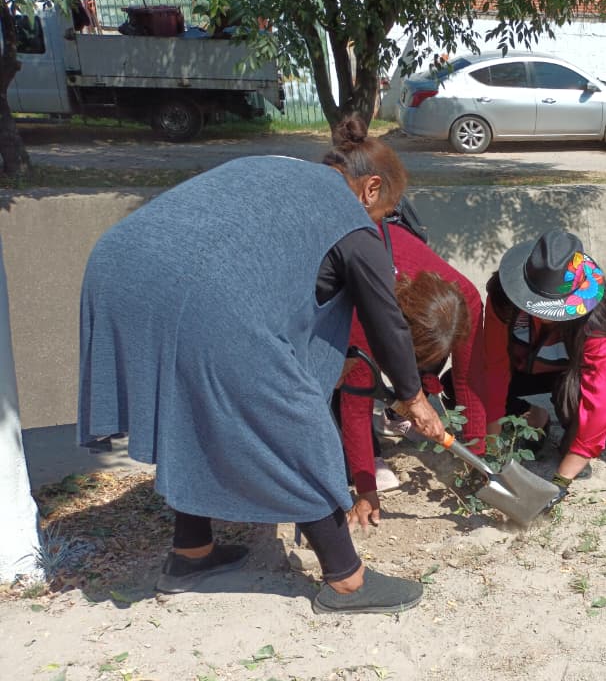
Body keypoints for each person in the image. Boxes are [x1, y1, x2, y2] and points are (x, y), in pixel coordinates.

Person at [78, 117, 445, 614]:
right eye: (384, 212)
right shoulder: (351, 220)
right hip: (202, 297)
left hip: (120, 268)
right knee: (302, 427)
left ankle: (192, 556)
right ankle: (348, 581)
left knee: (188, 409)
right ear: (370, 188)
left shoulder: (274, 168)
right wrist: (413, 396)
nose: (381, 222)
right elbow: (386, 322)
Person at [478, 229, 606, 488]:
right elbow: (493, 367)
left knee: (575, 406)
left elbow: (601, 401)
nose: (546, 315)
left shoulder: (599, 321)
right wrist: (492, 450)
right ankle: (535, 417)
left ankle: (570, 445)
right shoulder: (503, 299)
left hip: (569, 373)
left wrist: (561, 480)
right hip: (522, 369)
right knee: (464, 387)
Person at [341, 269, 472, 529]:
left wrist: (416, 402)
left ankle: (391, 420)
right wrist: (366, 490)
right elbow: (354, 408)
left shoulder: (454, 292)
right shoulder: (361, 326)